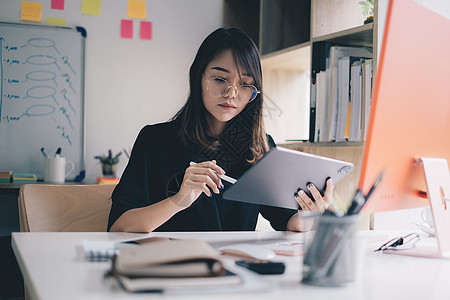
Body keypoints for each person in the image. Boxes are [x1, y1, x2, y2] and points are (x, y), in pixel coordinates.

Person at [108, 28, 334, 233]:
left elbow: (287, 221)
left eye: (245, 84)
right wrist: (178, 200)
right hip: (174, 271)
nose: (231, 93)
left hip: (238, 271)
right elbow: (119, 226)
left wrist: (310, 213)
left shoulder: (260, 148)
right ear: (199, 77)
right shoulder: (155, 140)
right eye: (219, 79)